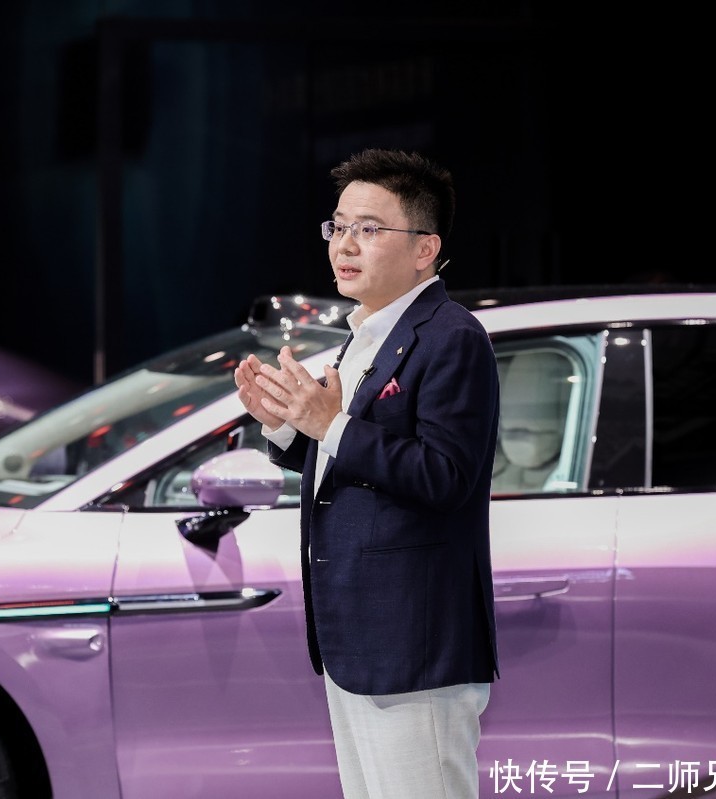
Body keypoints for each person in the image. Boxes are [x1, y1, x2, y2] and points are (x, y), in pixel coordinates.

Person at [234, 148, 499, 798]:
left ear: (425, 248)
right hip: (359, 635)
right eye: (339, 226)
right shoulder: (367, 335)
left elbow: (445, 475)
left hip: (413, 642)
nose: (345, 244)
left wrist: (331, 424)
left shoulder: (452, 337)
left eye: (369, 229)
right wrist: (286, 426)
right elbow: (351, 463)